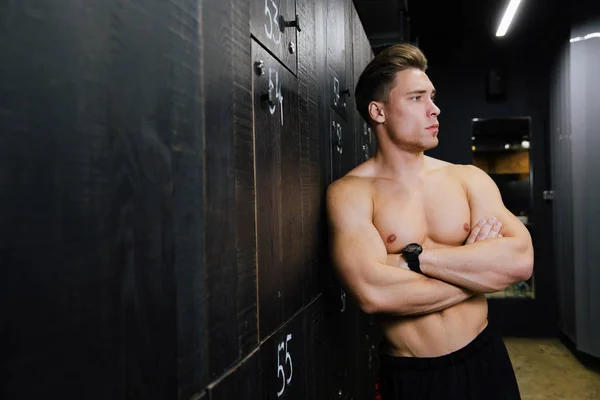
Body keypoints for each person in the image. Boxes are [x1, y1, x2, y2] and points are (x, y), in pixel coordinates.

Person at [326, 44, 533, 399]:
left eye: (432, 97)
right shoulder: (350, 193)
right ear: (378, 111)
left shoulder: (468, 179)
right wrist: (478, 273)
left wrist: (415, 259)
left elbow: (520, 261)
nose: (434, 109)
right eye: (416, 98)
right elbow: (373, 293)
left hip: (485, 359)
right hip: (413, 376)